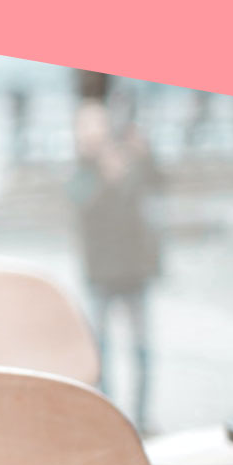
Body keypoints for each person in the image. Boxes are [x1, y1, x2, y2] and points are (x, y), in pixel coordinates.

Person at [69, 96, 162, 430]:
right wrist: (106, 177)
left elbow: (156, 184)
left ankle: (143, 416)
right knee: (100, 351)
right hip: (102, 274)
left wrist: (142, 154)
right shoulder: (81, 170)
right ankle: (109, 419)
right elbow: (85, 211)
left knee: (142, 349)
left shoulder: (125, 157)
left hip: (134, 269)